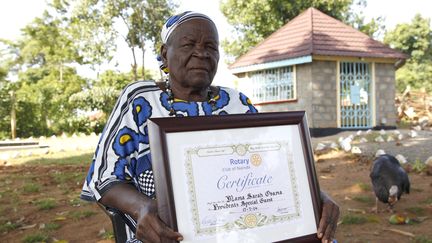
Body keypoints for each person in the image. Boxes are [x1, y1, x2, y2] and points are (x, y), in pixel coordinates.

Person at [81, 11, 339, 243]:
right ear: (164, 54)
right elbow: (103, 179)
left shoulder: (236, 102)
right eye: (189, 44)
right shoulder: (140, 100)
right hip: (167, 236)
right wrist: (142, 208)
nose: (201, 53)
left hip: (242, 229)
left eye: (210, 46)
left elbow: (276, 167)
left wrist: (316, 195)